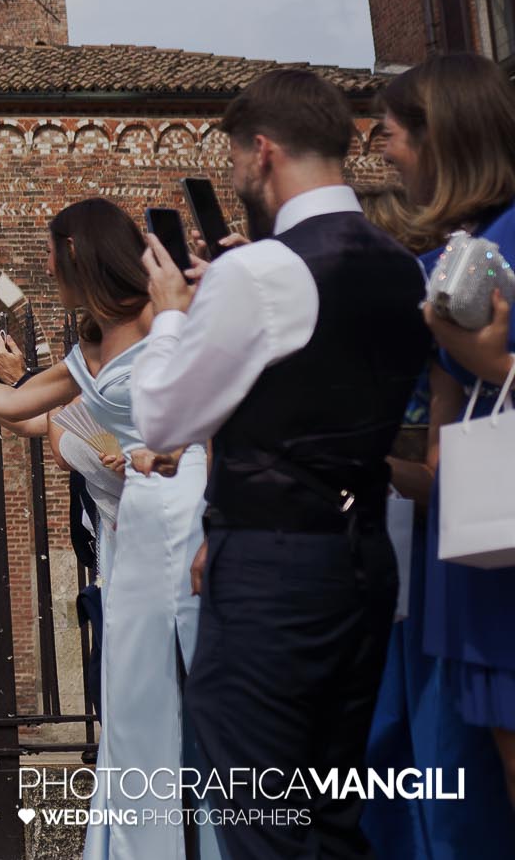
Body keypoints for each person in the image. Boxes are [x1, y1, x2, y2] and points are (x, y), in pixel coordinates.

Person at [135, 69, 431, 860]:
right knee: (335, 810)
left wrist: (172, 319)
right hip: (368, 558)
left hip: (272, 564)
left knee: (260, 809)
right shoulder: (401, 266)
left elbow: (163, 416)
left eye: (235, 159)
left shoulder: (259, 270)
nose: (235, 176)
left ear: (262, 151)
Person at [0, 199, 213, 860]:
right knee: (131, 702)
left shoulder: (162, 315)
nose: (46, 262)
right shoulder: (89, 343)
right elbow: (15, 403)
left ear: (79, 252)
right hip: (129, 534)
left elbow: (214, 404)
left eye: (52, 250)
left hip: (185, 517)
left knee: (183, 695)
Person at [377, 54, 515, 816]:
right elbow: (437, 454)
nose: (386, 152)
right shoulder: (442, 264)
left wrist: (494, 361)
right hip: (473, 546)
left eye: (394, 134)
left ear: (443, 139)